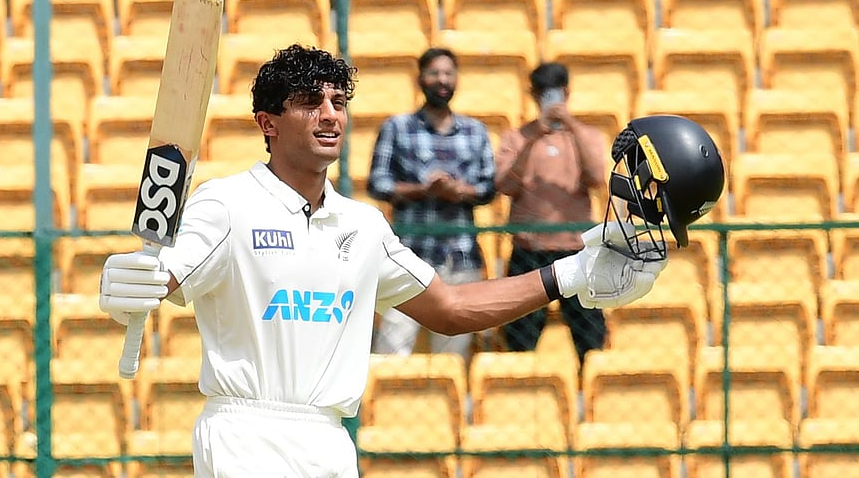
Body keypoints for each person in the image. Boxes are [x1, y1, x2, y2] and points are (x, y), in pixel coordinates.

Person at [98, 44, 718, 478]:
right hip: (246, 435)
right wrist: (137, 280)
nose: (330, 114)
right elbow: (166, 274)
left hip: (330, 442)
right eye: (309, 102)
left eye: (338, 101)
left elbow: (448, 309)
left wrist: (570, 275)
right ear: (267, 121)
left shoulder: (364, 224)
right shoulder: (226, 203)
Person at [365, 47, 495, 363]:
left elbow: (488, 187)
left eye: (448, 73)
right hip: (408, 256)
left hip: (460, 257)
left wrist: (457, 191)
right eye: (434, 73)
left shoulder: (475, 131)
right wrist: (423, 189)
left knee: (452, 355)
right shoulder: (397, 127)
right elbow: (377, 183)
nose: (442, 80)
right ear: (420, 79)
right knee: (393, 350)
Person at [494, 62, 608, 361]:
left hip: (576, 252)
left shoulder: (586, 136)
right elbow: (504, 185)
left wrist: (570, 125)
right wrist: (534, 138)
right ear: (533, 95)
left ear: (567, 93)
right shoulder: (517, 138)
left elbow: (597, 177)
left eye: (555, 94)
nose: (550, 101)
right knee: (520, 339)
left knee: (591, 340)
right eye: (543, 94)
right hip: (529, 251)